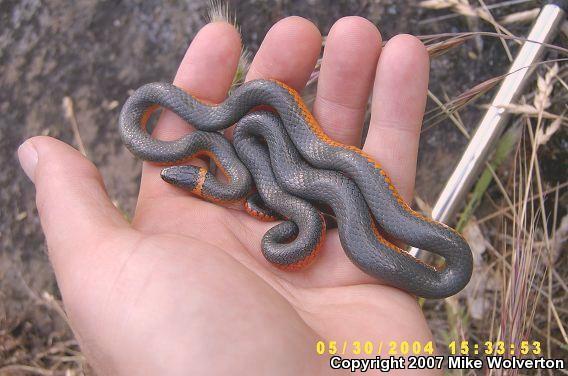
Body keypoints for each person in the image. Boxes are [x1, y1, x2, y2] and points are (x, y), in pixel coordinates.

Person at [17, 16, 440, 375]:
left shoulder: (250, 169)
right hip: (284, 188)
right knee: (317, 174)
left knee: (315, 162)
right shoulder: (246, 177)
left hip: (280, 166)